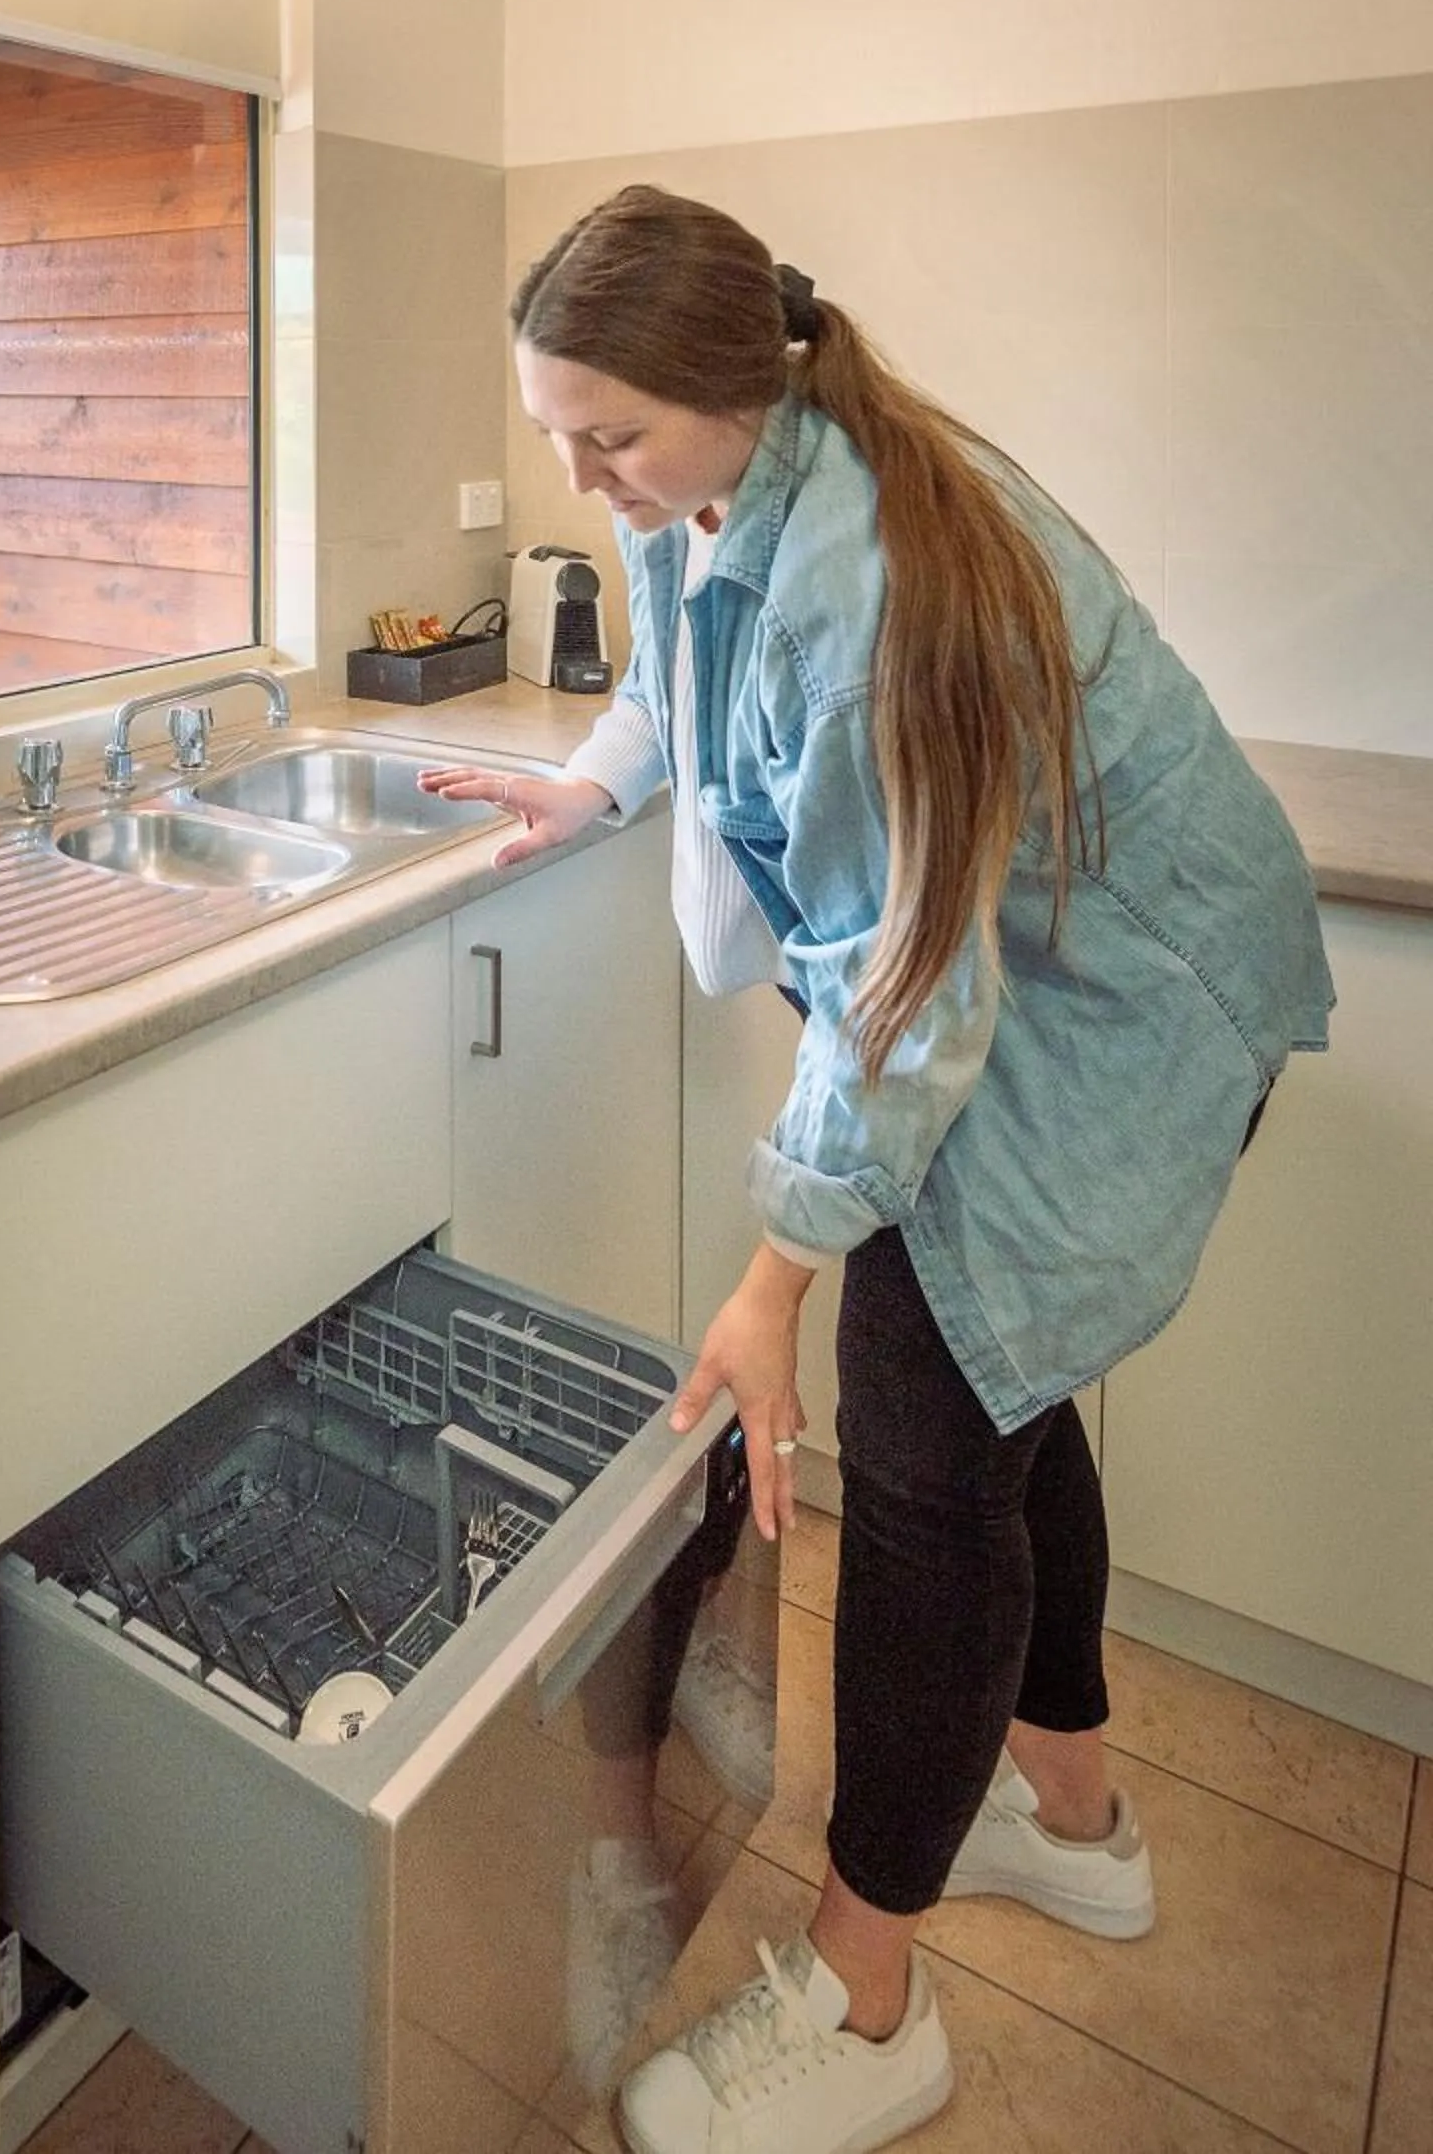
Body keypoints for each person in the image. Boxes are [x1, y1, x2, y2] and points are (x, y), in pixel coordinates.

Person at [416, 185, 1332, 2154]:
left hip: (1134, 1002)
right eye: (556, 431)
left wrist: (775, 1275)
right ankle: (1069, 1815)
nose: (580, 473)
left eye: (613, 438)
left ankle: (866, 2002)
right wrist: (584, 782)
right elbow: (674, 675)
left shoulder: (886, 578)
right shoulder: (712, 482)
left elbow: (908, 998)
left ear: (744, 388)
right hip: (1024, 982)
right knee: (997, 1398)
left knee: (920, 1472)